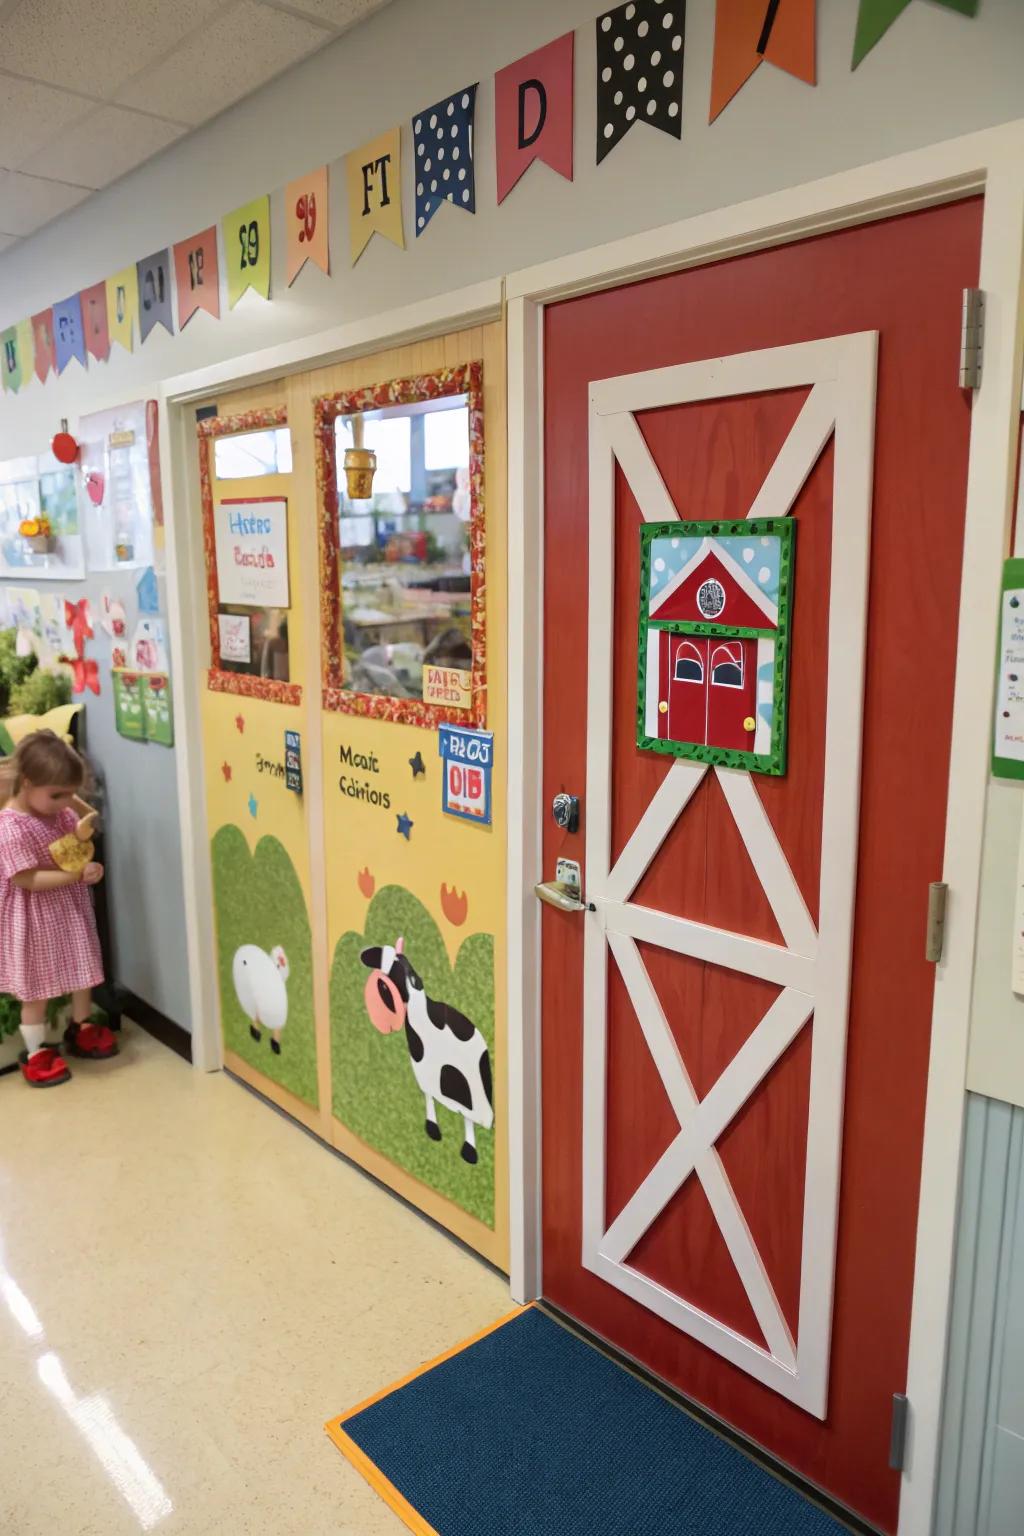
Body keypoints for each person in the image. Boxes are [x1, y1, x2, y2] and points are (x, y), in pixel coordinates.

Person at [0, 730, 118, 1087]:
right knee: (36, 987)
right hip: (32, 917)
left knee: (81, 969)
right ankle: (36, 1051)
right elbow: (27, 880)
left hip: (66, 910)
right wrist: (75, 876)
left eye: (70, 794)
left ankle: (80, 1025)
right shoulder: (10, 827)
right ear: (27, 782)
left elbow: (77, 847)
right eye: (56, 795)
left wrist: (88, 863)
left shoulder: (61, 812)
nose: (64, 802)